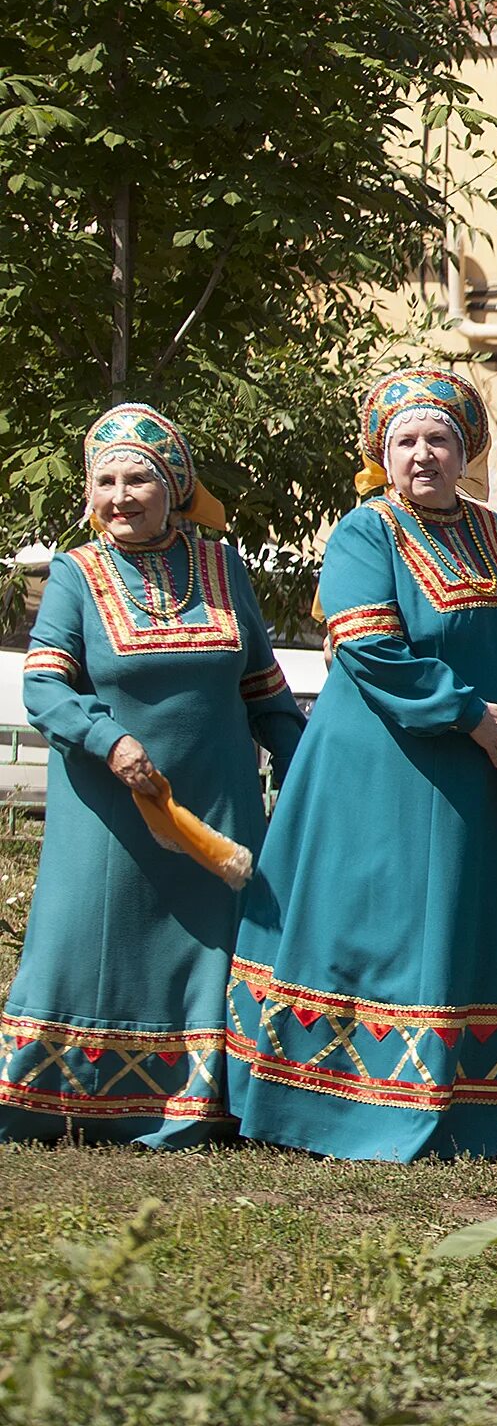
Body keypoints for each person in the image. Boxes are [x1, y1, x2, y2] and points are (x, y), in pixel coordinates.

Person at [227, 368, 497, 1160]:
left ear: (465, 451)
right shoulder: (364, 531)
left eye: (438, 439)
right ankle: (339, 1105)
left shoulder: (494, 529)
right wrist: (465, 712)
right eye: (405, 441)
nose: (422, 455)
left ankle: (479, 1108)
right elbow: (371, 647)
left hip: (481, 764)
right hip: (382, 762)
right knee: (380, 920)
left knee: (468, 921)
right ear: (383, 453)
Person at [0, 408, 304, 1145]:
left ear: (174, 486)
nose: (120, 495)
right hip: (112, 809)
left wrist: (311, 774)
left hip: (219, 810)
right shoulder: (75, 572)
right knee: (86, 942)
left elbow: (265, 691)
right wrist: (108, 740)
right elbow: (44, 687)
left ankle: (212, 1106)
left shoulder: (224, 567)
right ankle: (59, 1103)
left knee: (217, 953)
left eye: (138, 478)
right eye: (104, 481)